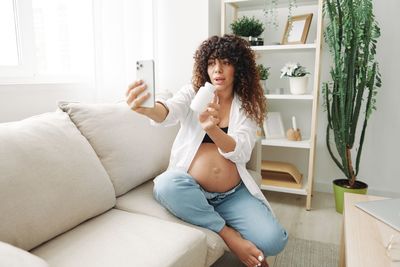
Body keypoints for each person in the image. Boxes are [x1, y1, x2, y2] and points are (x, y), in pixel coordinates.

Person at [125, 34, 288, 267]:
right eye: (212, 63)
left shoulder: (248, 105)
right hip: (192, 189)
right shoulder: (193, 93)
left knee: (274, 241)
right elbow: (169, 111)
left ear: (238, 67)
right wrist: (149, 109)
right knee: (165, 185)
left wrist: (212, 129)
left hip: (232, 195)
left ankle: (208, 214)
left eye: (225, 62)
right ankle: (228, 234)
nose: (218, 69)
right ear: (205, 67)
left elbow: (242, 151)